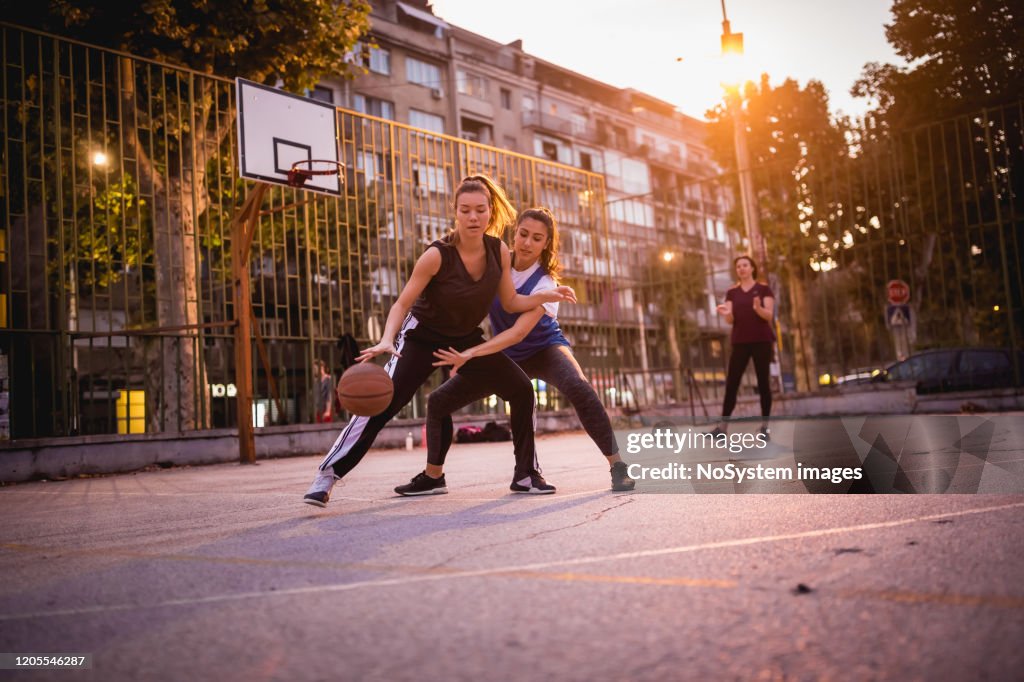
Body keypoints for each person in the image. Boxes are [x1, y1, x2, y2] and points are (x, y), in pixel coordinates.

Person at [303, 175, 576, 507]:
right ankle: (327, 476)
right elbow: (402, 303)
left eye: (479, 210)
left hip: (463, 339)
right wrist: (388, 339)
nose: (473, 217)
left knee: (521, 390)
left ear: (490, 212)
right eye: (465, 210)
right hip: (421, 337)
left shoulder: (498, 251)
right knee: (381, 403)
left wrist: (547, 294)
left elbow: (510, 303)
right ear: (455, 213)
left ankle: (525, 475)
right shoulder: (436, 255)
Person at [397, 207, 635, 494]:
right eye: (523, 234)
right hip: (505, 353)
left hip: (543, 349)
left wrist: (472, 353)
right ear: (515, 233)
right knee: (438, 402)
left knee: (579, 386)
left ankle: (617, 466)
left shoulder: (546, 283)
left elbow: (519, 333)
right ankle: (434, 477)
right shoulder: (496, 264)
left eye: (537, 238)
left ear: (546, 243)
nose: (527, 243)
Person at [712, 255, 775, 439]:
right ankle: (722, 429)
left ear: (752, 268)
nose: (741, 268)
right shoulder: (732, 293)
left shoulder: (764, 290)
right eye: (738, 266)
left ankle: (765, 428)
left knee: (764, 384)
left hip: (761, 341)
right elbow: (731, 319)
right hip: (740, 342)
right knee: (732, 384)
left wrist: (758, 309)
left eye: (745, 265)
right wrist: (725, 313)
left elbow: (769, 316)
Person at [312, 359, 334, 423]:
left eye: (315, 368)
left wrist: (328, 411)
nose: (314, 371)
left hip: (326, 410)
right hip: (319, 410)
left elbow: (329, 395)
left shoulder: (328, 379)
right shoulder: (316, 381)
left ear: (321, 367)